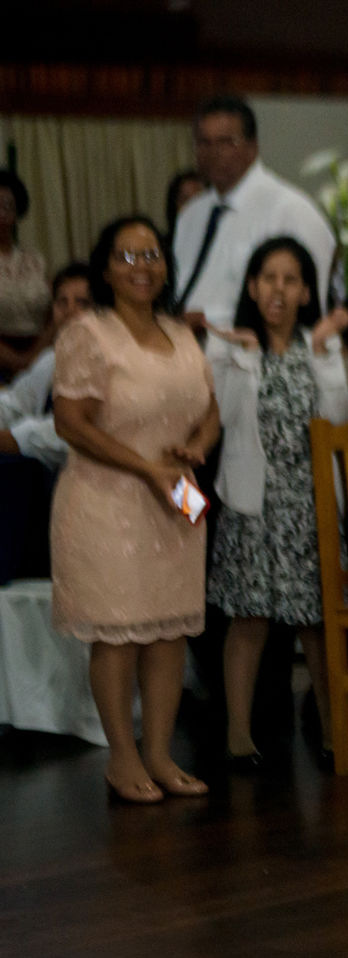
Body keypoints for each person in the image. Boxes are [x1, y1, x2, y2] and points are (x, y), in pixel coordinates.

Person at [50, 215, 222, 804]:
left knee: (170, 629)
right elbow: (68, 422)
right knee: (119, 633)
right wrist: (145, 467)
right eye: (126, 257)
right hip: (107, 500)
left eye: (151, 255)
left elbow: (210, 410)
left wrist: (197, 445)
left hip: (175, 500)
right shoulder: (88, 334)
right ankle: (121, 758)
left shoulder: (182, 334)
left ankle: (159, 754)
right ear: (105, 269)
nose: (140, 267)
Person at [204, 238, 348, 768]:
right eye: (269, 277)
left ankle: (335, 730)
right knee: (249, 622)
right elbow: (219, 419)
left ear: (306, 290)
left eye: (291, 279)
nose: (279, 289)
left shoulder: (324, 350)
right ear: (251, 286)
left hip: (313, 506)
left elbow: (339, 420)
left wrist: (319, 352)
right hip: (253, 506)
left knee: (317, 624)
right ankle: (238, 734)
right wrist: (241, 360)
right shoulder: (232, 349)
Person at [170, 95, 337, 330]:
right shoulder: (192, 214)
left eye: (226, 142)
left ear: (252, 146)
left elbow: (306, 309)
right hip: (183, 352)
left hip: (251, 357)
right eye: (203, 143)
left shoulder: (291, 210)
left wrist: (212, 324)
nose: (213, 152)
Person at [0, 263, 90, 469]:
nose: (69, 312)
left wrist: (9, 439)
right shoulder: (53, 357)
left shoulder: (113, 363)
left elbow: (69, 436)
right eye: (62, 302)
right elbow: (16, 402)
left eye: (82, 303)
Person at [0, 169, 51, 378]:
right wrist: (17, 361)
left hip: (40, 356)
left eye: (7, 206)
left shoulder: (35, 260)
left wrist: (33, 357)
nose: (2, 214)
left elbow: (54, 313)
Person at [163, 168, 209, 253]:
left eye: (198, 199)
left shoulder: (222, 242)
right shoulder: (164, 248)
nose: (192, 206)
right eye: (185, 200)